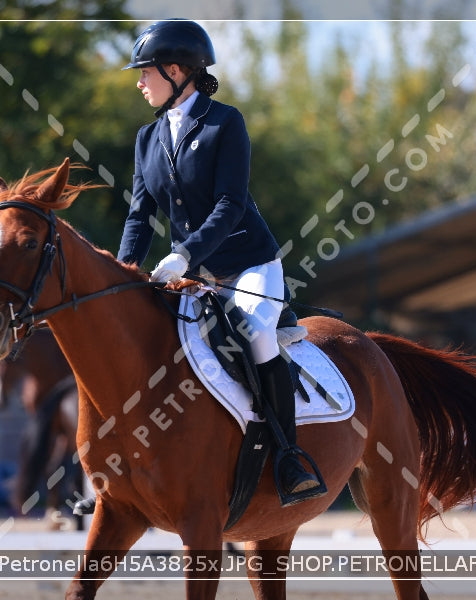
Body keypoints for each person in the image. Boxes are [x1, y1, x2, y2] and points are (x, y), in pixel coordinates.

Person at [116, 19, 325, 506]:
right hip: (192, 277)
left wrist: (184, 253)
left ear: (175, 71)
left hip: (247, 265)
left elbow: (230, 206)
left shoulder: (223, 122)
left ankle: (289, 456)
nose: (139, 82)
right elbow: (139, 216)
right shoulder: (147, 139)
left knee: (255, 332)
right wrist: (125, 274)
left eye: (145, 72)